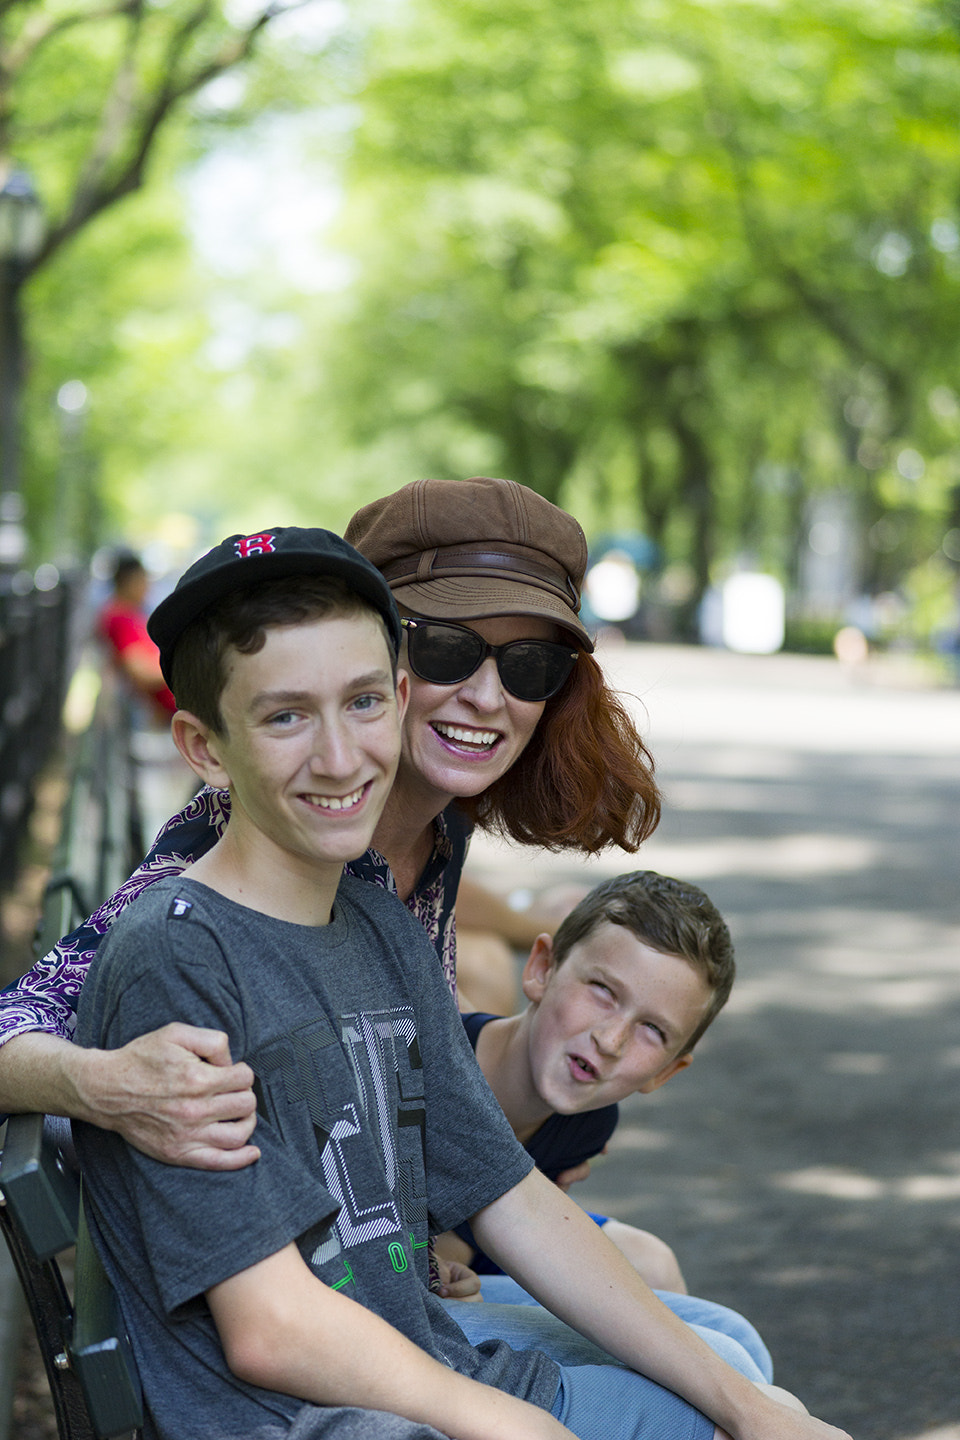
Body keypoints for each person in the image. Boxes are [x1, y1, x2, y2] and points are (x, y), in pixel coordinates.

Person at [74, 526, 846, 1440]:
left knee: (758, 1403)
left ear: (397, 698)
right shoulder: (177, 956)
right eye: (285, 717)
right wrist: (516, 1425)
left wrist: (747, 1410)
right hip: (311, 1416)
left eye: (363, 703)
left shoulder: (379, 927)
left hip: (420, 1353)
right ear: (205, 747)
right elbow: (272, 1331)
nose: (338, 756)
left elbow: (511, 1196)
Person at [0, 478, 658, 1170]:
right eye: (445, 649)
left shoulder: (441, 823)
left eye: (531, 664)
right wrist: (106, 1086)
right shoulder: (259, 836)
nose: (488, 697)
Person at [98, 550, 177, 719]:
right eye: (143, 580)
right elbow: (141, 672)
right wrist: (184, 670)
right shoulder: (120, 616)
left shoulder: (127, 612)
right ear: (129, 582)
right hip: (161, 713)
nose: (147, 587)